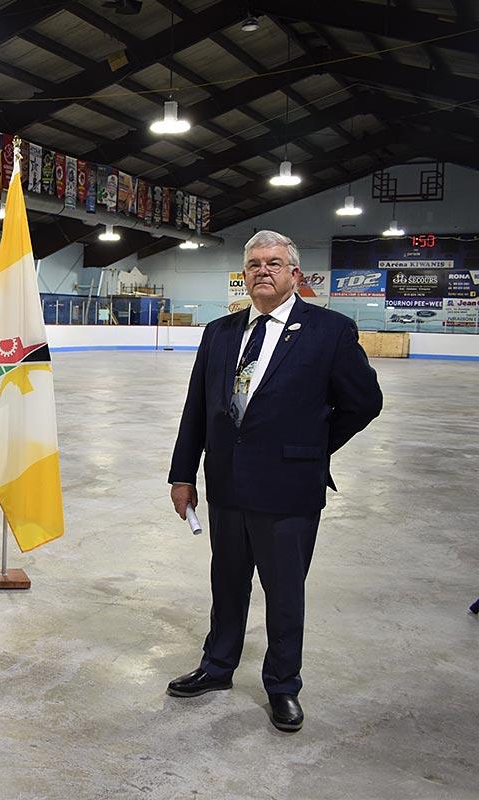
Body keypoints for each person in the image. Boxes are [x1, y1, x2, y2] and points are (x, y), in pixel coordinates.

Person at [167, 230, 382, 731]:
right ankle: (218, 667)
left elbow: (364, 403)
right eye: (255, 264)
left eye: (274, 263)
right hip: (226, 486)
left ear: (295, 274)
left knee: (284, 592)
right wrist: (182, 473)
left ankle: (283, 685)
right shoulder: (219, 333)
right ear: (244, 274)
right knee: (227, 583)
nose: (263, 270)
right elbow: (197, 410)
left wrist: (313, 445)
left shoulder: (329, 331)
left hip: (289, 490)